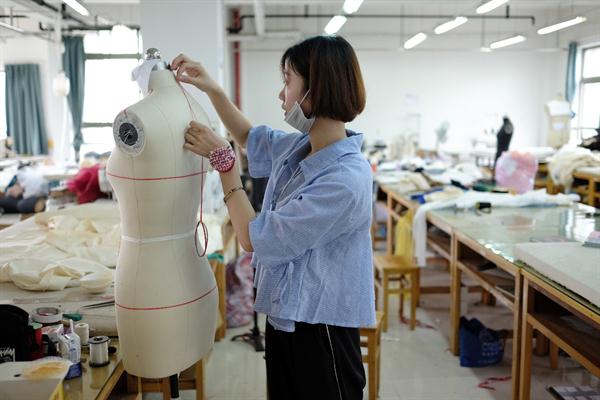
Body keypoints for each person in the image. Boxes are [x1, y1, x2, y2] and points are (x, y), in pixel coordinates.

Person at [172, 35, 375, 400]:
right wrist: (212, 88)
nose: (282, 95)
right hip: (287, 317)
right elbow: (249, 137)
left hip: (321, 328)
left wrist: (225, 164)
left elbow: (254, 238)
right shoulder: (302, 147)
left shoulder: (345, 180)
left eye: (288, 81)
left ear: (316, 89)